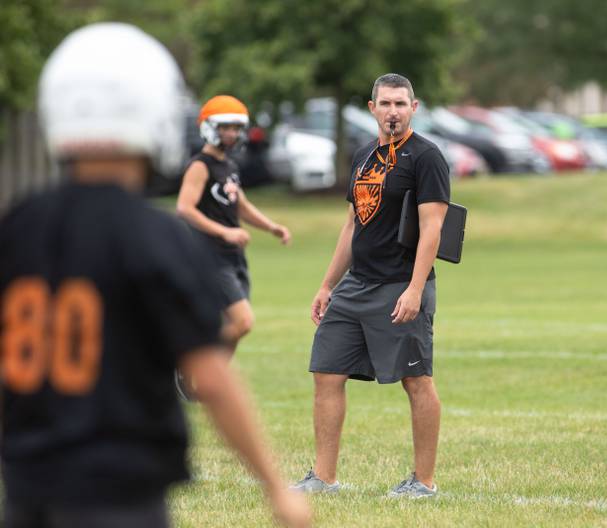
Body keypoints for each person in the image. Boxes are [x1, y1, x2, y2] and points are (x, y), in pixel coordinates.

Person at [0, 22, 311, 527]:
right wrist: (276, 489)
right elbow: (211, 375)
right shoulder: (155, 235)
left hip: (27, 491)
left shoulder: (18, 226)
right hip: (122, 493)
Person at [290, 73, 450, 498]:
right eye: (386, 104)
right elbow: (350, 226)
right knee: (326, 372)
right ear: (372, 108)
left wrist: (415, 289)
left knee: (416, 381)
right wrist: (327, 285)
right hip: (355, 287)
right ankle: (323, 478)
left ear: (414, 108)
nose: (393, 111)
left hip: (400, 285)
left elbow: (432, 228)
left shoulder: (426, 157)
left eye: (401, 104)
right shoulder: (363, 156)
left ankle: (424, 482)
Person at [176, 95, 291, 356]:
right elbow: (184, 208)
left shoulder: (228, 165)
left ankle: (206, 386)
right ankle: (190, 362)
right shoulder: (200, 166)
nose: (231, 133)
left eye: (236, 128)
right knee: (242, 322)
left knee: (233, 325)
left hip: (233, 257)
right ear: (208, 127)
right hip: (210, 255)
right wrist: (225, 231)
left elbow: (241, 206)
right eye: (225, 127)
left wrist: (271, 227)